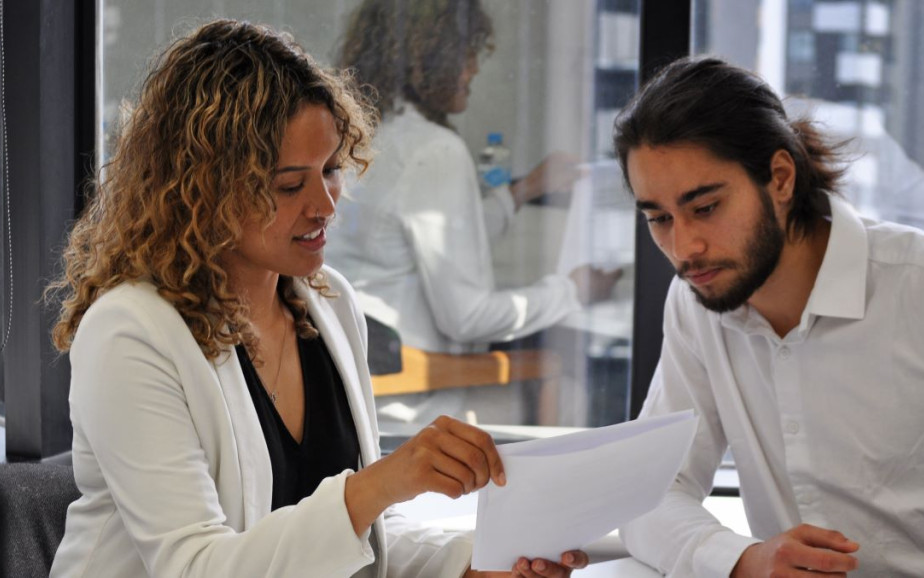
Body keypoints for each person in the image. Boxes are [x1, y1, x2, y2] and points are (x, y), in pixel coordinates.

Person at [45, 19, 588, 578]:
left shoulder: (329, 304)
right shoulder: (130, 332)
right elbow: (194, 567)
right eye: (289, 185)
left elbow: (358, 542)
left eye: (330, 170)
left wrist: (470, 567)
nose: (326, 205)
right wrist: (380, 484)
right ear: (204, 189)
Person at [613, 56, 924, 577]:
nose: (684, 247)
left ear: (780, 178)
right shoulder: (696, 302)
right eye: (659, 219)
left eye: (706, 207)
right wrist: (742, 560)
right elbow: (649, 493)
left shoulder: (912, 287)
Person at [326, 0, 620, 357]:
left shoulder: (364, 133)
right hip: (422, 397)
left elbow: (425, 238)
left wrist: (523, 191)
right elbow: (468, 319)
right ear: (430, 59)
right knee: (567, 380)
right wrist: (572, 292)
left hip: (366, 379)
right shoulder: (435, 149)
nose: (475, 69)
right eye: (465, 55)